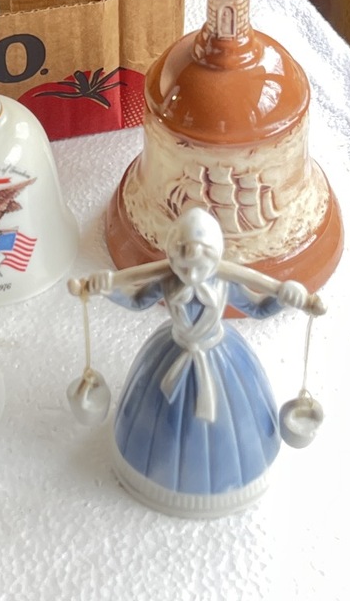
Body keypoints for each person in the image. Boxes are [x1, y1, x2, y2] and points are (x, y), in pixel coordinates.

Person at [84, 207, 323, 518]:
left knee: (231, 424)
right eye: (183, 264)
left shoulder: (226, 284)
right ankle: (158, 473)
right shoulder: (167, 282)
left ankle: (229, 481)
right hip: (174, 352)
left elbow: (258, 309)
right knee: (161, 426)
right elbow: (136, 300)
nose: (192, 274)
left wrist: (283, 298)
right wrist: (107, 290)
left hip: (220, 357)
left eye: (200, 265)